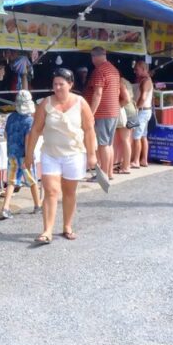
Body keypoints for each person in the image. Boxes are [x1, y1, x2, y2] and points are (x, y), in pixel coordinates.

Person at [24, 68, 97, 244]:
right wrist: (29, 154)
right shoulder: (46, 103)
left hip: (74, 153)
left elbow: (89, 129)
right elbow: (35, 130)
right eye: (55, 84)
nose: (57, 87)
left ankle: (67, 226)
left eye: (61, 84)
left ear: (70, 85)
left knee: (69, 191)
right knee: (50, 191)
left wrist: (92, 154)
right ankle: (47, 230)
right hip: (50, 153)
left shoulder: (81, 103)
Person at [0, 90, 42, 220]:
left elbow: (6, 134)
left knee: (11, 182)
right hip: (25, 155)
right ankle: (37, 205)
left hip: (12, 154)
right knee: (32, 181)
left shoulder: (11, 117)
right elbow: (29, 140)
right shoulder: (29, 121)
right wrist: (29, 157)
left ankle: (5, 207)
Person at [83, 47, 120, 180]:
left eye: (92, 58)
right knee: (109, 144)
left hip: (103, 112)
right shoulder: (114, 70)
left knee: (103, 144)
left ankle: (103, 174)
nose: (92, 61)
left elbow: (98, 93)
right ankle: (109, 172)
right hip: (114, 111)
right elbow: (118, 92)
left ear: (95, 57)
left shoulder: (99, 71)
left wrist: (90, 113)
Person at [130, 61, 154, 169]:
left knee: (137, 136)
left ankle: (136, 161)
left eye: (137, 69)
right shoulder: (147, 80)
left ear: (144, 69)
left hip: (143, 111)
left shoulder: (146, 82)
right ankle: (144, 160)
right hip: (146, 111)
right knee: (143, 135)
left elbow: (143, 97)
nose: (135, 72)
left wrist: (136, 107)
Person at [113, 81, 135, 174]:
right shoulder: (126, 81)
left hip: (126, 113)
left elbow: (126, 99)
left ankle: (126, 166)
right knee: (127, 140)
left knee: (125, 140)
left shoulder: (120, 82)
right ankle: (125, 164)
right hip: (131, 111)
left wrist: (116, 107)